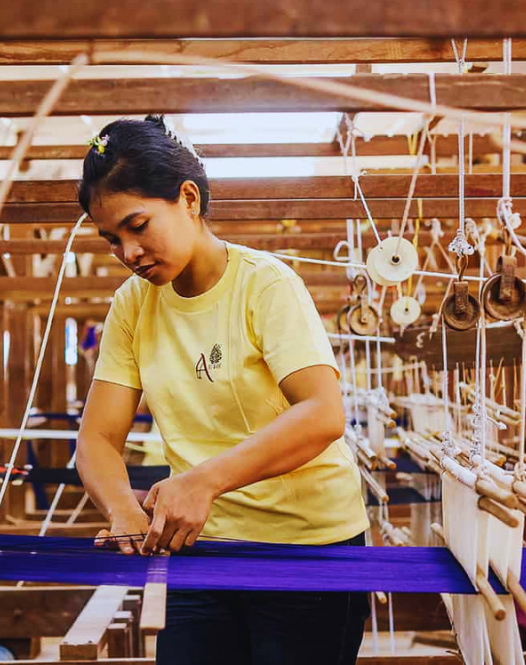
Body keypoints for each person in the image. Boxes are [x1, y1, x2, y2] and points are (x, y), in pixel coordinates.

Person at [75, 116, 370, 665]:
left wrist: (203, 482)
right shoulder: (132, 306)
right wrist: (121, 509)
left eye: (138, 225)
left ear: (188, 197)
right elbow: (96, 437)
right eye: (112, 238)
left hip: (308, 552)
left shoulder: (267, 285)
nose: (128, 251)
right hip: (201, 550)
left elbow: (323, 413)